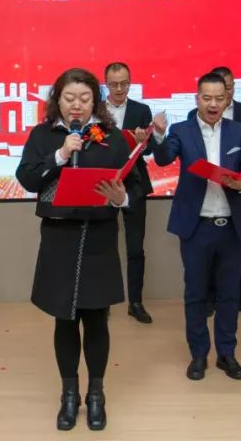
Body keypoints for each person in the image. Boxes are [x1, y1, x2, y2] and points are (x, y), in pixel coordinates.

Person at [15, 68, 139, 432]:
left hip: (99, 237)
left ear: (95, 102)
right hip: (59, 239)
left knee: (97, 319)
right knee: (64, 320)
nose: (77, 106)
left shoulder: (112, 138)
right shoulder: (43, 135)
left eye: (85, 99)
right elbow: (27, 178)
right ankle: (69, 395)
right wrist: (59, 154)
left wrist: (121, 198)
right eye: (69, 98)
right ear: (57, 100)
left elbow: (135, 185)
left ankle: (96, 394)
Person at [153, 72, 241, 382]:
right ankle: (198, 354)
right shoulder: (181, 130)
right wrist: (159, 136)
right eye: (206, 98)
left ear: (227, 99)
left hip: (231, 227)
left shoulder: (238, 130)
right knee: (196, 294)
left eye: (219, 98)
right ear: (197, 99)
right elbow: (164, 159)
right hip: (197, 226)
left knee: (229, 294)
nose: (213, 104)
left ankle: (227, 354)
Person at [187, 66, 241, 318]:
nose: (220, 98)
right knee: (207, 256)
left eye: (227, 89)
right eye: (211, 95)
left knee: (240, 247)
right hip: (205, 197)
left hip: (238, 193)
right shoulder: (194, 116)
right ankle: (209, 298)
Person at [101, 62, 156, 325]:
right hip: (104, 184)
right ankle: (102, 301)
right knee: (103, 246)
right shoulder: (96, 110)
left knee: (135, 247)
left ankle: (136, 302)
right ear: (106, 84)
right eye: (114, 84)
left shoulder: (141, 110)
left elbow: (150, 150)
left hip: (134, 184)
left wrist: (143, 141)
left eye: (124, 83)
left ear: (130, 82)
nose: (119, 89)